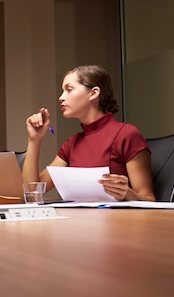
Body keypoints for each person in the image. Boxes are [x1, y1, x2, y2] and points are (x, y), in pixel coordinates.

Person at [23, 64, 155, 202]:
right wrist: (34, 140)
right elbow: (32, 192)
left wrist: (126, 193)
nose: (61, 97)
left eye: (69, 89)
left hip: (116, 222)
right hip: (77, 220)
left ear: (93, 93)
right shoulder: (72, 143)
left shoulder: (126, 134)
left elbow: (149, 200)